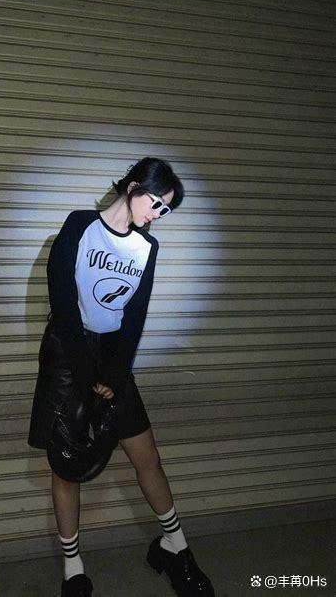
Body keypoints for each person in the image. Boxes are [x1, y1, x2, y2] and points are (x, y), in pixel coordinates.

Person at [28, 157, 215, 597]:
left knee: (147, 456)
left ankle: (174, 547)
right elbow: (62, 300)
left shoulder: (146, 248)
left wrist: (115, 371)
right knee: (66, 465)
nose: (158, 215)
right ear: (133, 187)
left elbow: (134, 316)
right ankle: (74, 570)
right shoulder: (79, 226)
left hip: (113, 359)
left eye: (166, 210)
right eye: (156, 203)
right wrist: (85, 369)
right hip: (68, 355)